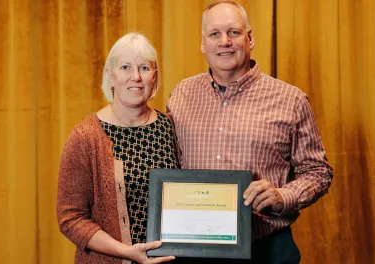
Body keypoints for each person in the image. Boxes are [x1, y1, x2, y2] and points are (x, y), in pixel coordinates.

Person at [167, 1, 334, 263]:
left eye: (233, 32)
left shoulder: (291, 100)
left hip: (266, 249)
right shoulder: (181, 95)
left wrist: (282, 196)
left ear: (250, 38)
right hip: (193, 250)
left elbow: (318, 172)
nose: (224, 41)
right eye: (214, 34)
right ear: (203, 44)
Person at [57, 32, 177, 264]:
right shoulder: (85, 137)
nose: (136, 77)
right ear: (110, 77)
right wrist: (125, 252)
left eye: (144, 68)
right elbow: (70, 218)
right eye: (125, 67)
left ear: (155, 76)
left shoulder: (168, 127)